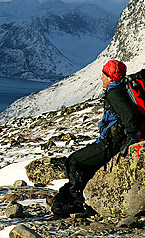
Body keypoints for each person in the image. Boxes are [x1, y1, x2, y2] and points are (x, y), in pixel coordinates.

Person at [49, 59, 139, 217]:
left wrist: (130, 139)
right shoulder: (121, 88)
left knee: (74, 161)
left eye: (104, 75)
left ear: (111, 77)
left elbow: (128, 115)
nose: (101, 78)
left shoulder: (114, 93)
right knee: (84, 165)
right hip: (112, 140)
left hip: (112, 143)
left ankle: (74, 204)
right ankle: (62, 199)